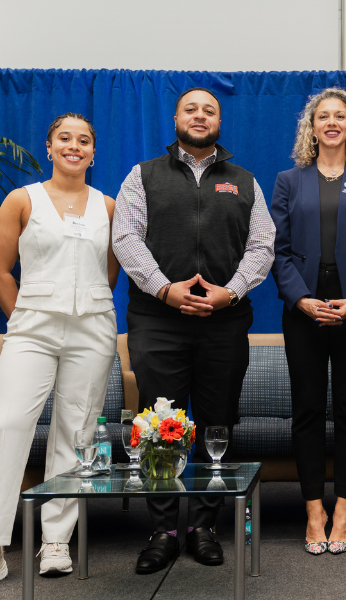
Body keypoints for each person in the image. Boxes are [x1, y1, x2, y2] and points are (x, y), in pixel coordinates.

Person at [112, 87, 275, 573]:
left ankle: (204, 525)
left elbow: (263, 246)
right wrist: (165, 289)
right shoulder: (142, 176)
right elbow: (125, 238)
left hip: (224, 323)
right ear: (176, 118)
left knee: (216, 423)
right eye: (191, 109)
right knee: (160, 426)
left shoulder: (244, 181)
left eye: (209, 110)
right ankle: (162, 529)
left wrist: (233, 290)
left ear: (219, 121)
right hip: (158, 322)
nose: (200, 115)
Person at [0, 113, 120, 591]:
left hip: (93, 328)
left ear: (93, 152)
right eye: (64, 138)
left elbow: (108, 276)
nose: (74, 146)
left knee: (76, 431)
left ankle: (56, 541)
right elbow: (0, 269)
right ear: (49, 147)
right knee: (6, 424)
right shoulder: (21, 200)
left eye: (84, 140)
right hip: (32, 329)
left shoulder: (107, 207)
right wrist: (22, 317)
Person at [270, 89, 346, 555]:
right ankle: (313, 509)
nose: (332, 123)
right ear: (312, 126)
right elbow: (276, 250)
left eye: (341, 116)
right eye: (324, 116)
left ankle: (343, 507)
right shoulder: (288, 180)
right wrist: (300, 299)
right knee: (307, 410)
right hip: (303, 310)